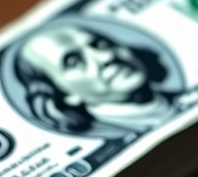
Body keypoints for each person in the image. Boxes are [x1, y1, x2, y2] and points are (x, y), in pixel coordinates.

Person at [13, 23, 178, 138]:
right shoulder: (104, 134)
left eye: (100, 44)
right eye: (73, 62)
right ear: (63, 93)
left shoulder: (182, 97)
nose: (106, 56)